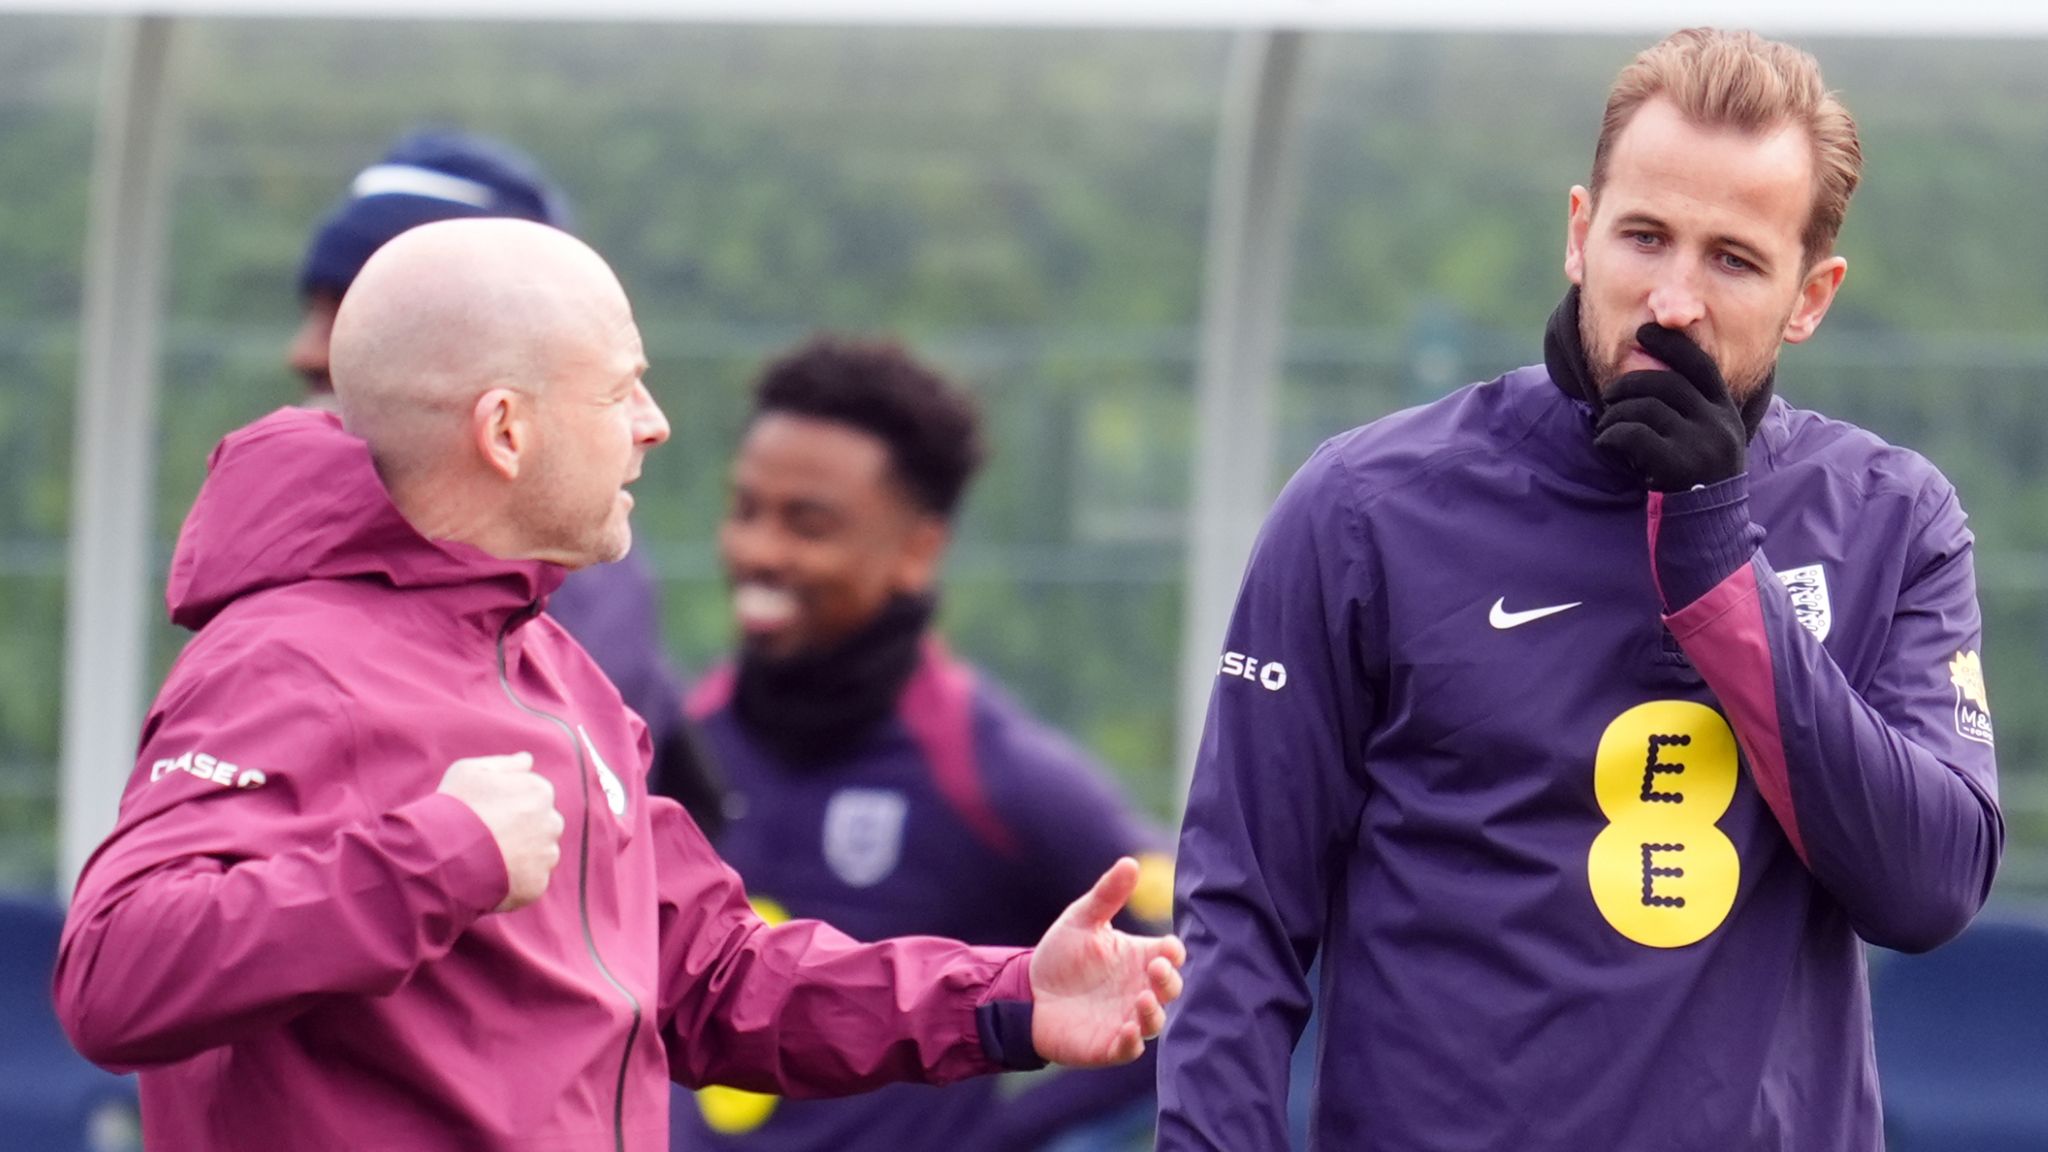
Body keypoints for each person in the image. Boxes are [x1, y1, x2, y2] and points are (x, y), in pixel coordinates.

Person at [54, 218, 1184, 1152]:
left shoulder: (556, 671)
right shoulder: (286, 657)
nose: (653, 426)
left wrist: (1006, 1001)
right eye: (622, 390)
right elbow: (114, 972)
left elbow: (710, 976)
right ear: (507, 429)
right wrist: (434, 859)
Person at [1159, 27, 2001, 1152]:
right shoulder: (1363, 507)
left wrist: (1714, 563)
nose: (1670, 300)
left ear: (1809, 297)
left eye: (1732, 260)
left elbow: (1927, 887)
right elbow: (1241, 917)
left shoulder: (1893, 519)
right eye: (1641, 236)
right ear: (1576, 233)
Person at [669, 337, 1175, 1152]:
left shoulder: (993, 775)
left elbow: (1187, 970)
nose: (758, 551)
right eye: (745, 510)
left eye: (808, 524)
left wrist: (1007, 1135)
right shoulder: (668, 744)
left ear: (918, 550)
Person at [291, 127, 726, 834]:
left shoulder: (570, 594)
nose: (306, 349)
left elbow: (587, 877)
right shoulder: (282, 588)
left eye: (352, 309)